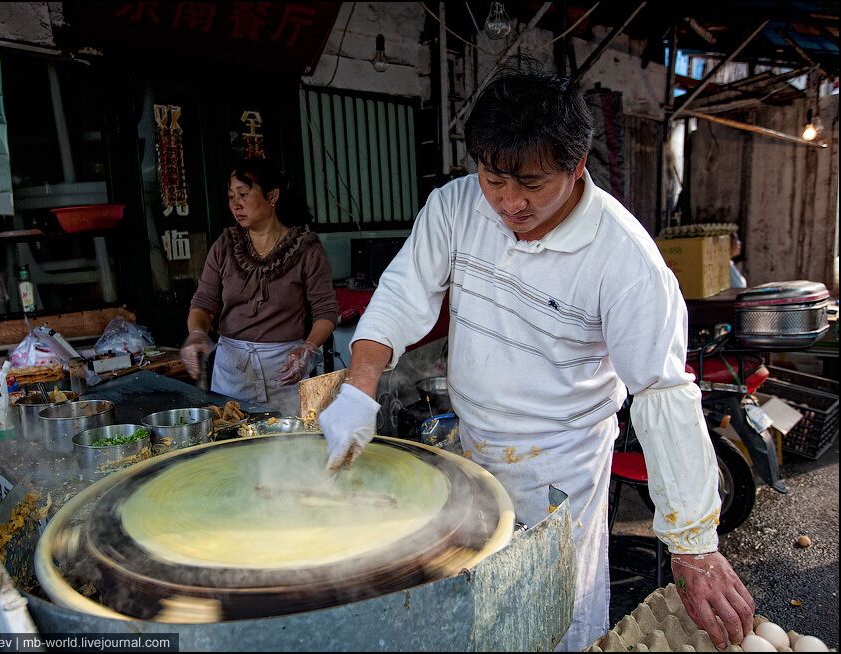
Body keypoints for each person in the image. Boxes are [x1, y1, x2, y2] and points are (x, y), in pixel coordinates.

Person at [319, 62, 755, 652]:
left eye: (532, 185)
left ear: (576, 169)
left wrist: (695, 544)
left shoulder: (624, 261)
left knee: (557, 614)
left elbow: (662, 393)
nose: (510, 203)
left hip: (562, 470)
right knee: (475, 610)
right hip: (471, 450)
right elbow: (402, 295)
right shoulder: (457, 206)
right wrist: (358, 387)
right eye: (495, 181)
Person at [181, 159, 339, 416]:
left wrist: (307, 349)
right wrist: (197, 333)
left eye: (243, 194)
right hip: (232, 371)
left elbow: (326, 312)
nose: (236, 204)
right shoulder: (224, 245)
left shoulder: (307, 248)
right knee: (232, 441)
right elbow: (203, 303)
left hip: (286, 370)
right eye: (231, 196)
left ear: (272, 196)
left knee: (286, 446)